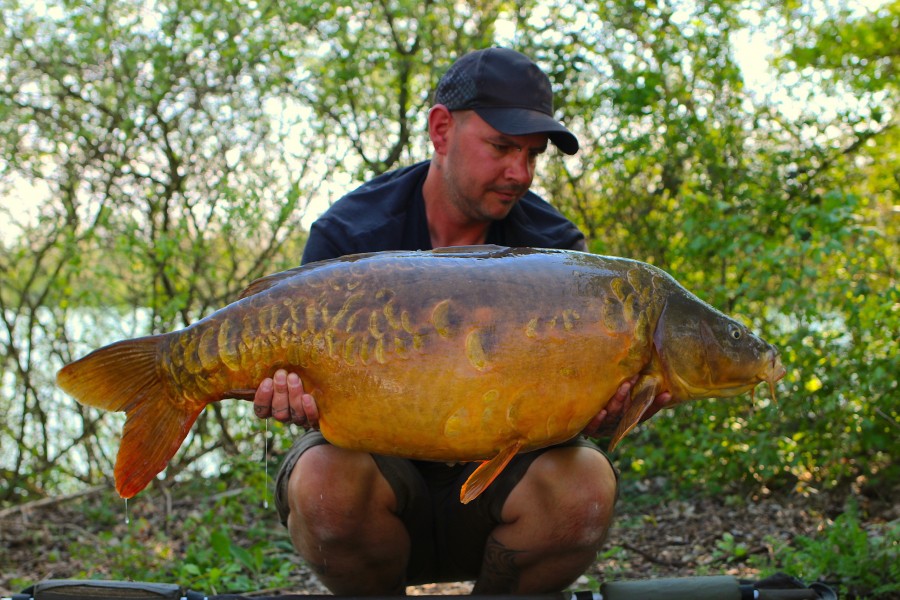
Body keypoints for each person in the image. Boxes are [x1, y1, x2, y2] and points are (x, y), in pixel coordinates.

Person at [252, 47, 670, 594]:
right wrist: (292, 399)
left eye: (532, 155)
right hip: (380, 489)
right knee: (323, 480)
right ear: (442, 129)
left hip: (503, 496)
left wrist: (610, 412)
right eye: (501, 147)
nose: (519, 173)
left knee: (585, 484)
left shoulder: (557, 254)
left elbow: (577, 408)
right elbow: (309, 401)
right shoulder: (349, 236)